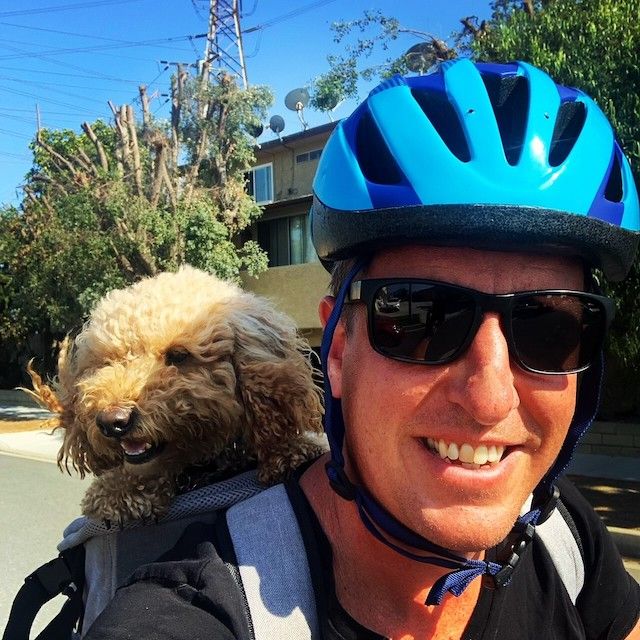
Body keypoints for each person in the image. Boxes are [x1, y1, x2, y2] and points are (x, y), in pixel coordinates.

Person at [84, 59, 639, 639]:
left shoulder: (563, 534)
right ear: (338, 349)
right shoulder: (198, 608)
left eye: (549, 328)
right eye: (420, 317)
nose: (490, 399)